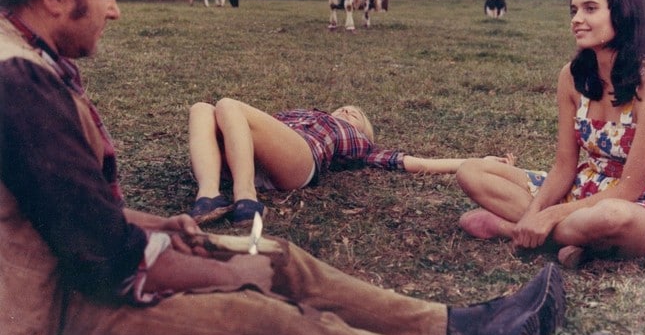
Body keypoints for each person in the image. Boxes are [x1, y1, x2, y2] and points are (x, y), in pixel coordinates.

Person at [0, 0, 642, 335]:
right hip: (41, 332)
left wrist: (165, 231)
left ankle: (459, 327)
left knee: (277, 258)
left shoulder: (33, 62)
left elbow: (64, 216)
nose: (115, 9)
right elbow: (99, 255)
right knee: (269, 325)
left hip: (69, 282)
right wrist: (222, 272)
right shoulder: (17, 82)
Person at [456, 0, 645, 269]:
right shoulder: (571, 77)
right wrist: (535, 211)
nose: (576, 19)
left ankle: (511, 229)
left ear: (623, 12)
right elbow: (564, 165)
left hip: (637, 203)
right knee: (471, 171)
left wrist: (548, 216)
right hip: (581, 189)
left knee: (613, 217)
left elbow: (629, 189)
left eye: (590, 8)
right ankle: (572, 240)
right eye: (574, 10)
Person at [188, 98, 515, 225]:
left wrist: (478, 160)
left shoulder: (358, 143)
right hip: (248, 153)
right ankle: (209, 195)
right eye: (343, 108)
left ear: (362, 131)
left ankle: (246, 198)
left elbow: (416, 162)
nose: (346, 111)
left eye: (355, 114)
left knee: (228, 104)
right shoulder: (299, 114)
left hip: (299, 160)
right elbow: (245, 127)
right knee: (202, 108)